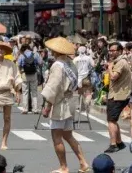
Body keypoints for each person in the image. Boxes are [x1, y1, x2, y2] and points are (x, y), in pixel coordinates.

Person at [40, 37, 89, 173]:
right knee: (68, 135)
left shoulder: (57, 65)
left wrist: (48, 106)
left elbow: (53, 87)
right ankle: (83, 162)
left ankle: (64, 167)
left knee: (57, 136)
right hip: (70, 100)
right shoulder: (71, 63)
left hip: (60, 103)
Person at [104, 42, 132, 153]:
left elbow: (114, 76)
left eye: (113, 50)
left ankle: (113, 144)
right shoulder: (120, 61)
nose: (111, 52)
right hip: (117, 94)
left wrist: (110, 68)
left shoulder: (120, 62)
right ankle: (119, 142)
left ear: (120, 51)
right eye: (110, 50)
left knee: (111, 120)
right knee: (114, 120)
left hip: (118, 95)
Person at [17, 43, 43, 114]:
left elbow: (18, 64)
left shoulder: (22, 55)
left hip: (25, 74)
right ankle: (35, 109)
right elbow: (41, 63)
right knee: (34, 92)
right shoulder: (35, 54)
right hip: (33, 74)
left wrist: (20, 71)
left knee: (25, 92)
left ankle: (25, 109)